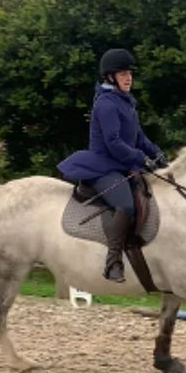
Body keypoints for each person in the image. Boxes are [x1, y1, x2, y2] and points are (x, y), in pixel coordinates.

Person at [57, 48, 169, 283]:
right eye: (122, 74)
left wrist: (157, 154)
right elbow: (113, 142)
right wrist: (141, 158)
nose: (128, 78)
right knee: (126, 206)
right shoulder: (106, 104)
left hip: (122, 164)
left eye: (129, 73)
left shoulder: (126, 102)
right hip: (103, 166)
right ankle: (113, 262)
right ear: (110, 77)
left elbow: (138, 137)